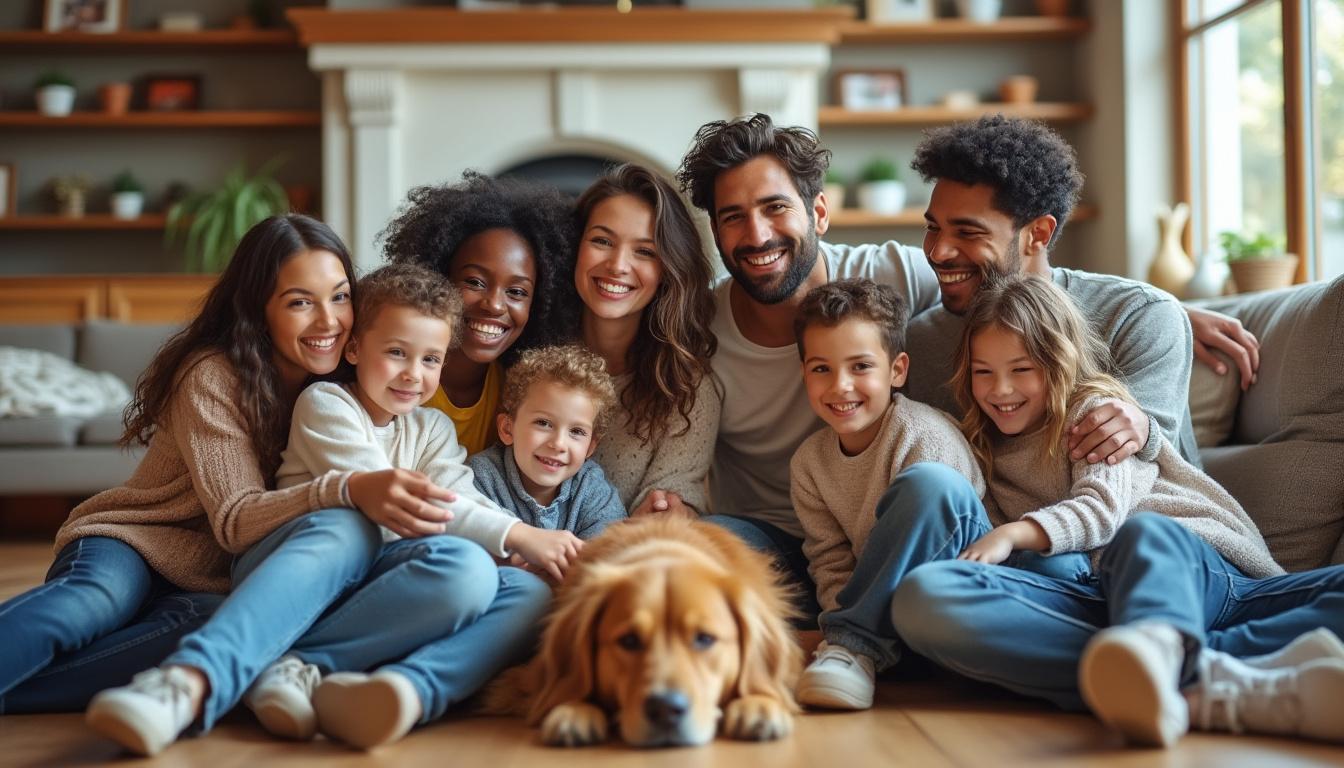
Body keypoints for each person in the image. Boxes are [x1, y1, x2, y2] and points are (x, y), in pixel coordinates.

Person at [673, 112, 1262, 619]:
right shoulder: (921, 326)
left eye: (776, 208)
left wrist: (1175, 312)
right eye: (932, 230)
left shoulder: (1133, 317)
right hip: (912, 558)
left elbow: (1125, 465)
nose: (940, 254)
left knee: (1000, 563)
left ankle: (869, 637)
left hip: (1114, 553)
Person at [0, 215, 464, 754]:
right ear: (258, 308)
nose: (328, 321)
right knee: (92, 605)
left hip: (214, 582)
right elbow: (236, 520)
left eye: (339, 297)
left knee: (206, 633)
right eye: (299, 302)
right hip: (138, 542)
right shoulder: (213, 375)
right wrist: (346, 487)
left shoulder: (350, 383)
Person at [892, 274, 1344, 746]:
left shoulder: (1094, 411)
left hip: (1197, 571)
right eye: (984, 372)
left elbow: (1102, 510)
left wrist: (1013, 534)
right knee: (926, 596)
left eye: (1021, 369)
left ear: (1059, 361)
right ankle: (1207, 681)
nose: (1001, 389)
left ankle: (1168, 666)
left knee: (1143, 534)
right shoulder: (980, 447)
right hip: (1102, 599)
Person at [264, 262, 554, 748]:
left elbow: (462, 494)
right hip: (314, 575)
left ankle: (402, 687)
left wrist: (510, 544)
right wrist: (518, 536)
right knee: (458, 569)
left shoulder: (431, 428)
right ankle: (291, 662)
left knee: (529, 594)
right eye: (397, 353)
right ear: (354, 347)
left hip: (384, 581)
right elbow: (402, 504)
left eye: (431, 360)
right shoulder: (326, 404)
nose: (413, 375)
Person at [788, 279, 985, 710]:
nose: (840, 386)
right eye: (821, 368)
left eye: (860, 367)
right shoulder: (808, 463)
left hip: (961, 585)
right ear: (803, 372)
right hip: (883, 612)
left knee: (928, 485)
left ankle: (853, 645)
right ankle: (857, 652)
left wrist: (849, 634)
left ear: (897, 370)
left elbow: (946, 538)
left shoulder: (922, 437)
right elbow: (830, 561)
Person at [382, 171, 579, 454]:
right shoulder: (396, 375)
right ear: (437, 276)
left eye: (517, 292)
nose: (495, 305)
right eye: (475, 282)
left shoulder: (521, 395)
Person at [572, 164, 721, 517]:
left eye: (644, 251)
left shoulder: (685, 388)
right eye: (602, 241)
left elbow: (666, 512)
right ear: (573, 247)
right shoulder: (529, 355)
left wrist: (667, 514)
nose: (618, 265)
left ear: (668, 269)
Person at [469, 345, 626, 550]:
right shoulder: (480, 478)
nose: (559, 444)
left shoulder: (592, 489)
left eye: (576, 432)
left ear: (590, 448)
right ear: (508, 429)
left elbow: (611, 556)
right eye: (543, 423)